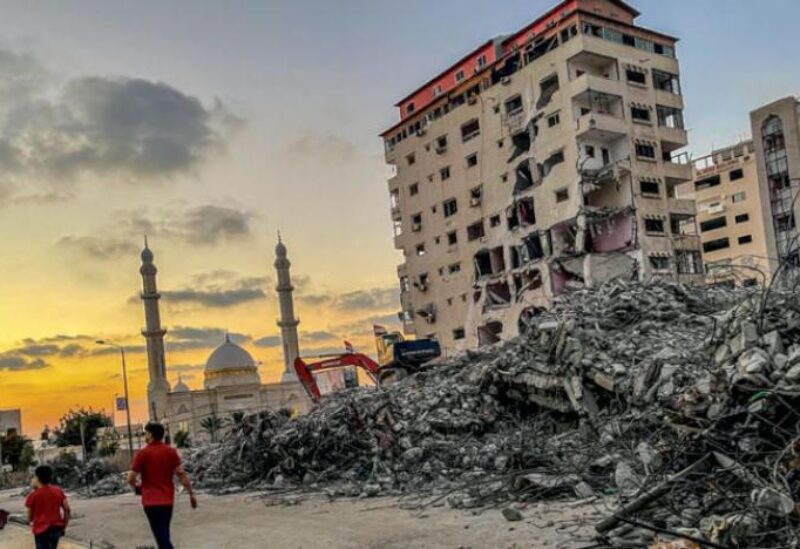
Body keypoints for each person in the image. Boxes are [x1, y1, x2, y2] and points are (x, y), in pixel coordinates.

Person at [128, 422, 197, 549]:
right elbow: (181, 474)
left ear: (150, 434)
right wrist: (191, 494)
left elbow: (130, 478)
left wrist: (138, 488)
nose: (145, 435)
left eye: (146, 433)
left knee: (161, 537)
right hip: (167, 501)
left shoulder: (143, 453)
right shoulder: (171, 452)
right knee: (163, 533)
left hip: (150, 502)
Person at [25, 465, 70, 549]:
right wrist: (64, 525)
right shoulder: (58, 491)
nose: (32, 480)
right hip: (56, 529)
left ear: (38, 478)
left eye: (33, 477)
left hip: (41, 531)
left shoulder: (33, 496)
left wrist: (31, 522)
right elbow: (67, 510)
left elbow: (29, 517)